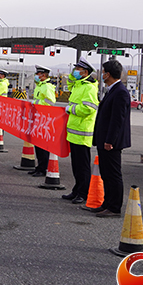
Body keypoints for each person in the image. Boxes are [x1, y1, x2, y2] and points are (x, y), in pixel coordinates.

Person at [91, 59, 131, 217]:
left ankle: (114, 207)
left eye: (103, 72)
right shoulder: (112, 90)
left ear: (108, 74)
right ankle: (107, 203)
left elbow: (117, 120)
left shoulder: (120, 91)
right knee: (106, 173)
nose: (101, 75)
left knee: (113, 174)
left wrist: (110, 140)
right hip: (104, 139)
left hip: (111, 142)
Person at [62, 58, 99, 204]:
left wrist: (70, 109)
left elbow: (89, 108)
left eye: (78, 69)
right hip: (74, 132)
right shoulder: (78, 85)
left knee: (83, 167)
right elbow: (70, 81)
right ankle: (76, 190)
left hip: (82, 133)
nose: (75, 71)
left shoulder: (89, 87)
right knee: (76, 166)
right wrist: (72, 74)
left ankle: (84, 193)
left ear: (85, 72)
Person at [30, 65, 57, 177]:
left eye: (38, 74)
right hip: (38, 118)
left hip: (44, 119)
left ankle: (43, 168)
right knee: (37, 145)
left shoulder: (47, 87)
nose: (36, 76)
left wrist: (37, 104)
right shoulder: (39, 86)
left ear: (43, 75)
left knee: (42, 146)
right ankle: (39, 166)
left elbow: (51, 102)